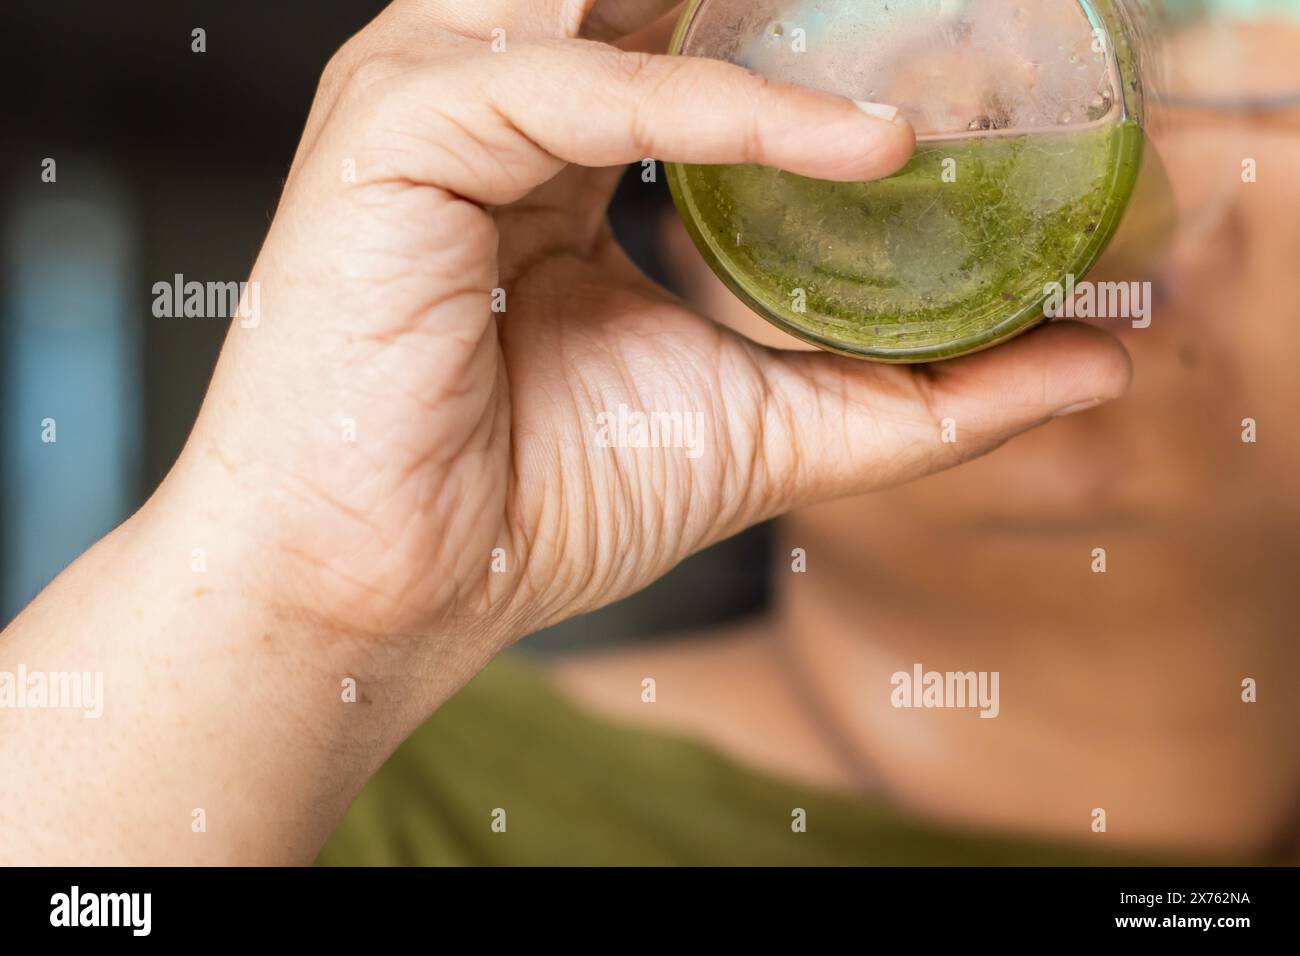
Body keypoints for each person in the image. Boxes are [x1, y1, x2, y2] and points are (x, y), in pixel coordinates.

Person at [0, 0, 1294, 865]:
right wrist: (313, 592)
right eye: (838, 54)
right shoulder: (315, 787)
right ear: (685, 246)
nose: (968, 105)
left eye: (1205, 30)